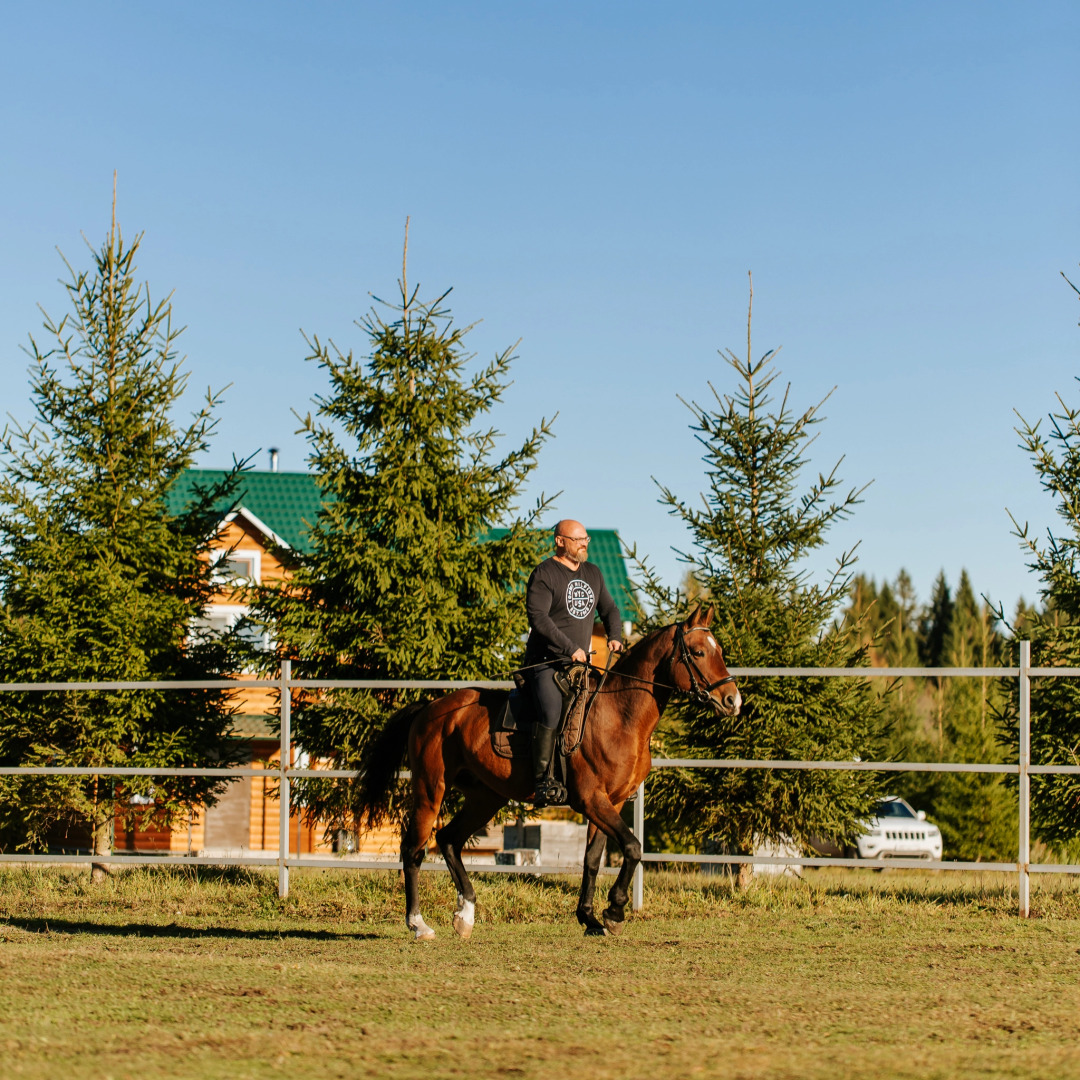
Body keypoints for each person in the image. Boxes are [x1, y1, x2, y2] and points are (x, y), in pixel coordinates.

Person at [522, 519, 623, 806]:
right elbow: (538, 619)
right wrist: (569, 648)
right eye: (578, 539)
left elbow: (610, 609)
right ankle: (543, 781)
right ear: (560, 541)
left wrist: (614, 635)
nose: (584, 544)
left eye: (586, 539)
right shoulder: (544, 574)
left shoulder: (593, 573)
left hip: (580, 666)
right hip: (545, 663)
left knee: (602, 711)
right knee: (552, 711)